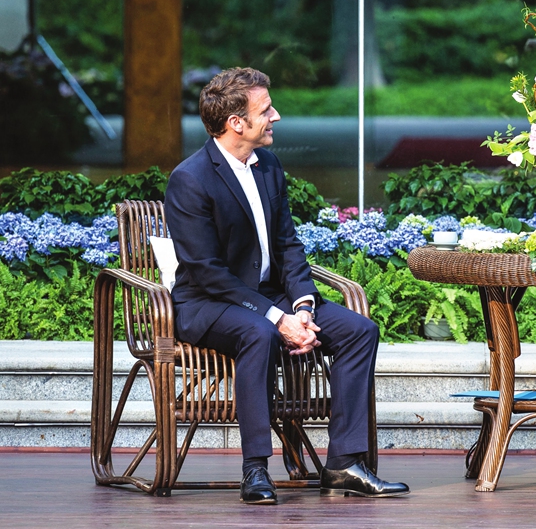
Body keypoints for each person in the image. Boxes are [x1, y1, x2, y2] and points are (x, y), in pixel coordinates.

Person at [166, 67, 408, 504]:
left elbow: (288, 245)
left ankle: (345, 464)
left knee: (360, 331)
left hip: (269, 297)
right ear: (236, 123)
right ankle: (255, 469)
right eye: (266, 110)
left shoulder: (269, 166)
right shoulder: (190, 178)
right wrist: (278, 319)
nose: (275, 116)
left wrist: (302, 309)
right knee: (258, 332)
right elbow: (206, 272)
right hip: (207, 304)